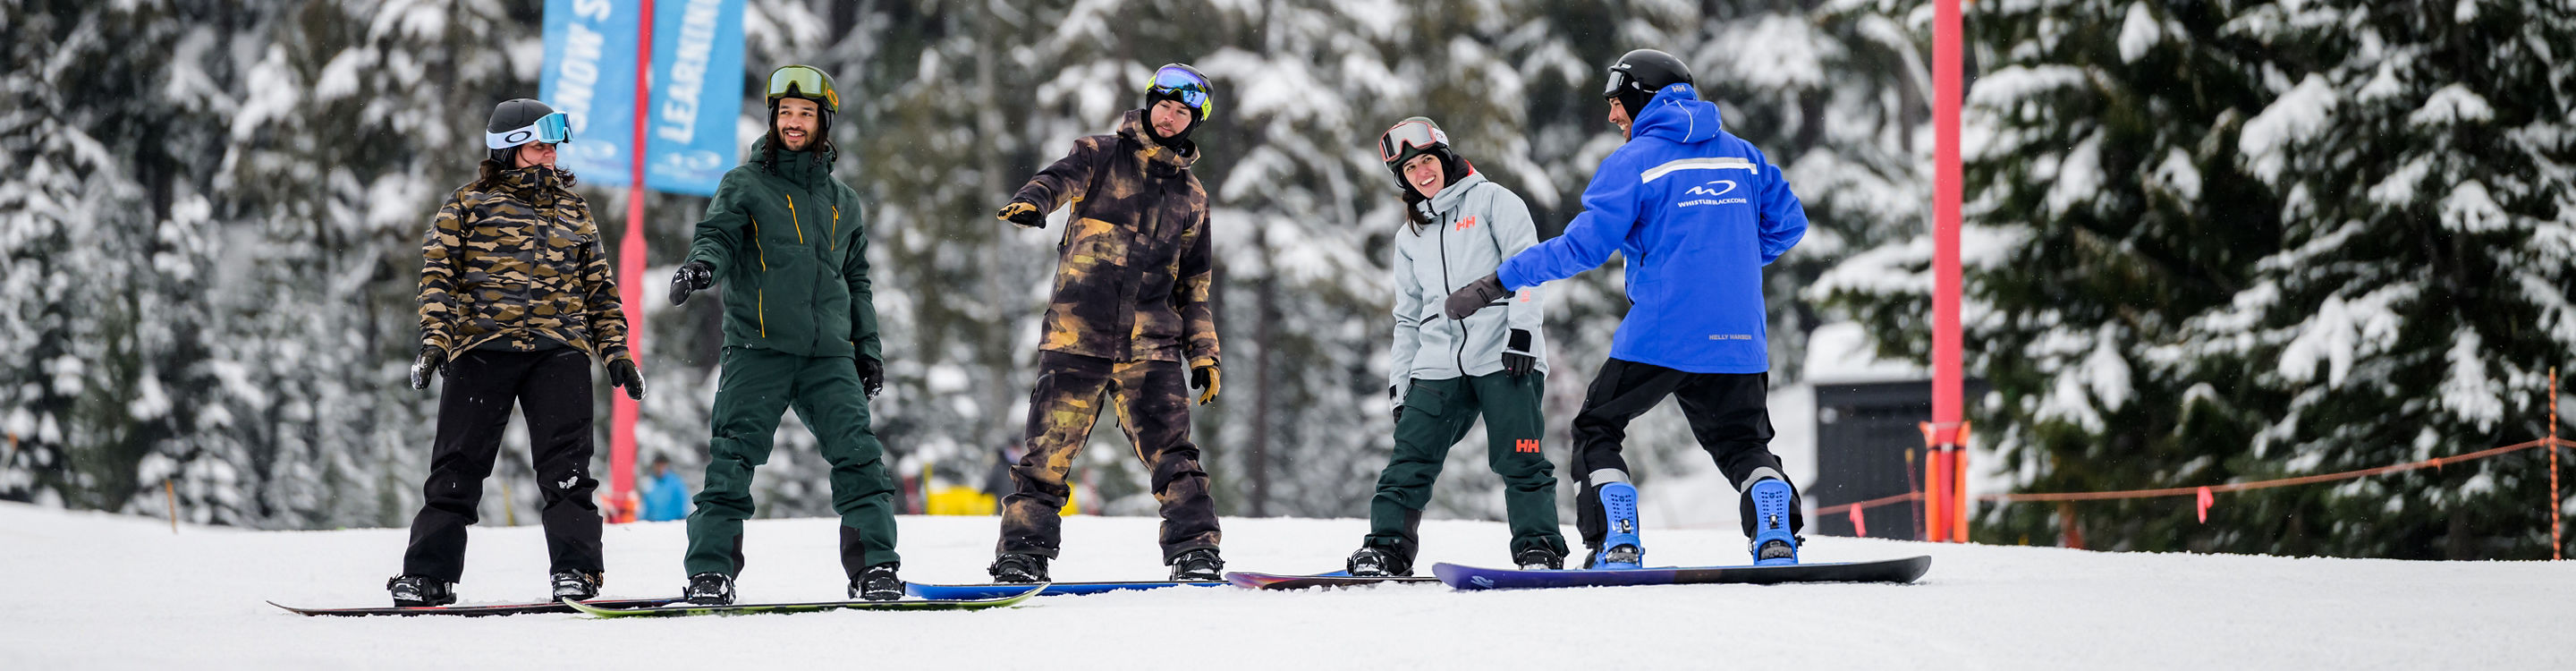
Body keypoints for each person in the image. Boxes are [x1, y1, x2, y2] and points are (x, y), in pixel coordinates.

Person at [1445, 49, 1811, 568]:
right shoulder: (1744, 155)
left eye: (1617, 101)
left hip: (1664, 330)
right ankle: (1775, 529)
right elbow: (1790, 224)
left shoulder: (1635, 162)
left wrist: (1498, 281)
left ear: (1643, 96)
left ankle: (1616, 538)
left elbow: (1583, 247)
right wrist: (1727, 264)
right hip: (1739, 335)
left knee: (1598, 427)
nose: (1613, 114)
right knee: (1742, 442)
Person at [391, 98, 646, 607]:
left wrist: (615, 351)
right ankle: (428, 576)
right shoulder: (467, 205)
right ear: (508, 149)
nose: (550, 154)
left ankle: (576, 572)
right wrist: (436, 340)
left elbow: (599, 288)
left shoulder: (573, 209)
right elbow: (438, 277)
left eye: (553, 146)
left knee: (568, 472)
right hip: (482, 348)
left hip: (559, 350)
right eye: (539, 146)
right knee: (456, 469)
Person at [665, 64, 902, 604]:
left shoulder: (843, 201)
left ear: (824, 121)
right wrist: (701, 268)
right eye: (786, 113)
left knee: (860, 458)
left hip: (829, 356)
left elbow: (856, 281)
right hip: (759, 349)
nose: (794, 122)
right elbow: (718, 237)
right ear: (773, 118)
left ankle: (875, 568)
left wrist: (868, 350)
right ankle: (710, 572)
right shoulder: (745, 184)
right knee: (731, 461)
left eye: (806, 113)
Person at [987, 64, 1224, 582]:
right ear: (1149, 103)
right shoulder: (1099, 154)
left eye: (1181, 113)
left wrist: (1204, 352)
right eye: (1164, 105)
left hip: (1152, 347)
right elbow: (1058, 179)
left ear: (1193, 123)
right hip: (1077, 336)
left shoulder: (1192, 196)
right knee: (1046, 455)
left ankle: (1196, 552)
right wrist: (1034, 200)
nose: (1169, 117)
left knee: (1175, 456)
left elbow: (1193, 286)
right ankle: (1023, 555)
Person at [1346, 117, 1567, 577]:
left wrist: (1522, 334)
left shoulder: (1494, 201)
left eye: (1427, 160)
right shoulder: (1410, 235)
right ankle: (1387, 550)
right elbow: (1407, 316)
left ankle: (1539, 548)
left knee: (1521, 457)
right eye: (1409, 169)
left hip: (1504, 354)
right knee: (1409, 460)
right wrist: (1399, 384)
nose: (1421, 173)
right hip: (1436, 364)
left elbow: (1529, 268)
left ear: (1444, 158)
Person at [640, 454, 690, 522]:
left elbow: (682, 502)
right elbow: (645, 506)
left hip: (672, 523)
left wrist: (681, 518)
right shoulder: (650, 482)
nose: (660, 469)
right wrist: (643, 520)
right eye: (658, 466)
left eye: (662, 466)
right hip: (654, 523)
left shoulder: (675, 482)